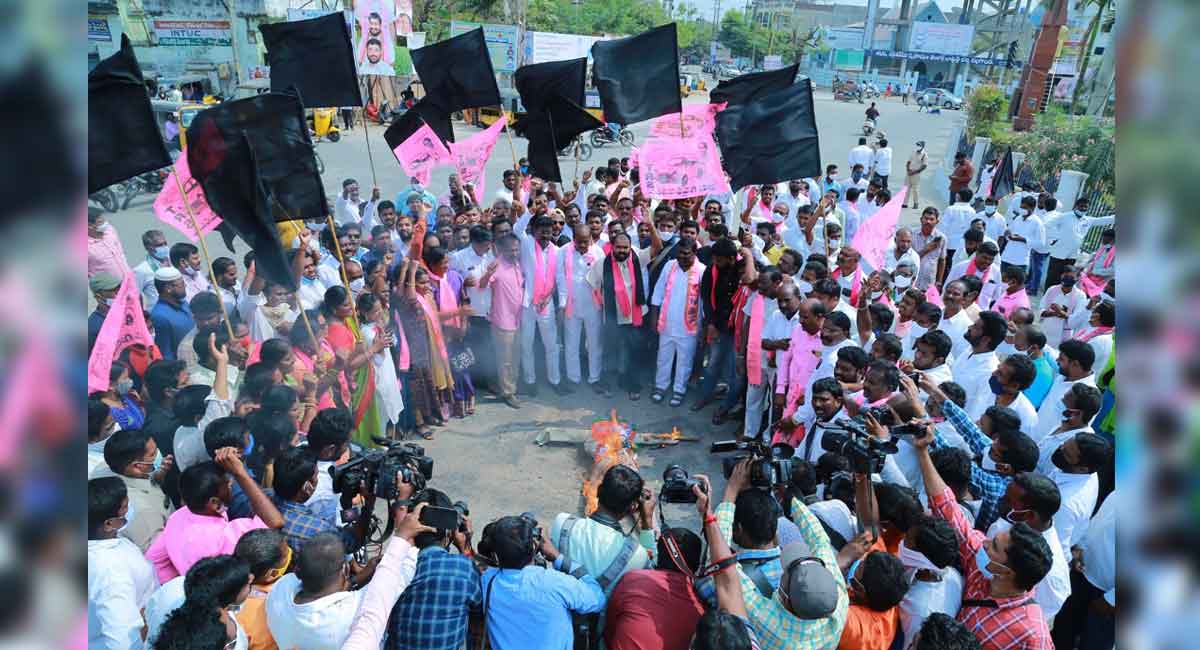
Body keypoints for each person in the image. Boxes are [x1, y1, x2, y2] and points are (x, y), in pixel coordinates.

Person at [910, 418, 1055, 650]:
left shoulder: (1033, 635)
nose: (984, 543)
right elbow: (948, 509)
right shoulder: (983, 570)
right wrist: (923, 451)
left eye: (994, 547)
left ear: (1005, 572)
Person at [919, 377, 1040, 534]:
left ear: (1004, 468)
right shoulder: (997, 452)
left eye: (993, 452)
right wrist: (936, 393)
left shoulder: (996, 488)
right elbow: (971, 431)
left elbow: (951, 457)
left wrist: (924, 421)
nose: (987, 449)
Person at [146, 449, 284, 583]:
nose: (232, 484)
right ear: (214, 503)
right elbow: (275, 522)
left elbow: (154, 559)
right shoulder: (227, 536)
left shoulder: (176, 518)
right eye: (228, 485)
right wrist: (241, 473)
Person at [477, 514, 607, 650]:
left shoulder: (487, 581)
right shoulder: (556, 582)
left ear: (496, 555)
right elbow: (597, 599)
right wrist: (558, 557)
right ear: (534, 545)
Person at [384, 489, 481, 650]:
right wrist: (466, 547)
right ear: (449, 533)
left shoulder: (391, 566)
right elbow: (478, 611)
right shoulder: (464, 568)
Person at [550, 463, 656, 595]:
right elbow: (652, 574)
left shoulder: (562, 523)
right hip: (605, 615)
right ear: (632, 507)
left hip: (560, 609)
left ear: (598, 491)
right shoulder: (637, 555)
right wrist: (647, 520)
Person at [266, 531, 378, 650]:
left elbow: (327, 594)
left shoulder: (281, 587)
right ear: (345, 570)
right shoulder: (353, 613)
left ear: (297, 570)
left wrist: (356, 579)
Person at [984, 473, 1071, 621]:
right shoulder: (1012, 522)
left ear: (1030, 515)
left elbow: (1038, 615)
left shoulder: (1051, 576)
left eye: (1009, 501)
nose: (1002, 501)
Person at [88, 476, 160, 650]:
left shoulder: (107, 539)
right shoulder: (110, 571)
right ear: (108, 523)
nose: (130, 509)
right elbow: (124, 639)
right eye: (125, 507)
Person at [587, 232, 651, 400]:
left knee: (635, 352)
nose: (622, 250)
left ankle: (633, 386)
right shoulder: (601, 264)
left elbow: (657, 249)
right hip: (613, 318)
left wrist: (650, 225)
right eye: (618, 247)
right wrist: (600, 304)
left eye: (625, 247)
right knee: (609, 352)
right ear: (612, 247)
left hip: (635, 317)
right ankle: (606, 384)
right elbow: (592, 285)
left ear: (630, 248)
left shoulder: (637, 258)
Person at [1050, 489, 1116, 650]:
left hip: (1107, 598)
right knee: (1062, 632)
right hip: (1082, 575)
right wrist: (1080, 546)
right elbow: (1099, 521)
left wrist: (1111, 601)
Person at [650, 238, 706, 406]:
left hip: (689, 326)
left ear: (694, 253)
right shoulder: (670, 266)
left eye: (686, 254)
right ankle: (660, 386)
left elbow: (704, 303)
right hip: (667, 323)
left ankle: (679, 390)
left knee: (685, 360)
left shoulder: (702, 271)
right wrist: (654, 317)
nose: (681, 258)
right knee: (663, 357)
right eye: (679, 254)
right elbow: (658, 291)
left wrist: (704, 328)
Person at [896, 514, 964, 649]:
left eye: (907, 541)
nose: (902, 541)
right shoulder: (952, 575)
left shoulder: (920, 614)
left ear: (921, 557)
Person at [100, 427, 174, 550]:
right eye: (153, 454)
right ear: (136, 466)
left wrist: (157, 476)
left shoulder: (111, 468)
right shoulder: (142, 511)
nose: (159, 455)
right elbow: (158, 552)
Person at [1043, 432, 1110, 559]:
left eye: (1067, 454)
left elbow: (1055, 549)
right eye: (1063, 445)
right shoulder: (1086, 473)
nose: (1060, 449)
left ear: (1083, 468)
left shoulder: (1064, 504)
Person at [557, 224, 606, 393]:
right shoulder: (563, 251)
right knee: (571, 343)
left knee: (594, 343)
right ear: (573, 239)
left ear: (591, 239)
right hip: (572, 305)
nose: (583, 246)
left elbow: (603, 280)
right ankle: (573, 378)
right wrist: (562, 305)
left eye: (586, 242)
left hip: (593, 306)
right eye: (579, 242)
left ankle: (595, 378)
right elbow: (560, 278)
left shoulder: (599, 253)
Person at [479, 234, 525, 408]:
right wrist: (487, 275)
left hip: (518, 319)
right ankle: (508, 392)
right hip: (502, 320)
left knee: (515, 356)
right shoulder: (496, 265)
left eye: (516, 249)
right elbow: (482, 286)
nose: (514, 252)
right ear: (502, 250)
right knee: (505, 359)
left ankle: (512, 386)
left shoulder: (517, 264)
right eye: (510, 250)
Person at [231, 528, 290, 650]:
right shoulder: (277, 607)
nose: (290, 552)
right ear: (272, 574)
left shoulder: (220, 582)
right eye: (286, 554)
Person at [151, 267, 195, 361]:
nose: (185, 286)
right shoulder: (159, 316)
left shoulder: (184, 303)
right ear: (168, 288)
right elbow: (165, 352)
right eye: (181, 284)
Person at [87, 208, 132, 279]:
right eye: (100, 222)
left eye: (104, 220)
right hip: (109, 288)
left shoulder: (110, 230)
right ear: (89, 226)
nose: (105, 223)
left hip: (129, 280)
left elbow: (120, 251)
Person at [133, 229, 171, 307]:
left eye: (165, 243)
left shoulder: (173, 261)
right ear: (148, 247)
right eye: (159, 245)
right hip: (158, 313)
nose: (164, 247)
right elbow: (134, 297)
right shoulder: (141, 270)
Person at [905, 141, 929, 208]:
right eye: (917, 145)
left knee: (915, 190)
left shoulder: (924, 155)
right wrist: (908, 170)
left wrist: (914, 172)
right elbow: (908, 162)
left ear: (923, 146)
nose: (917, 146)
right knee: (906, 189)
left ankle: (916, 203)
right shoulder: (913, 152)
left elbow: (924, 166)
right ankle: (904, 203)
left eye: (919, 145)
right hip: (909, 173)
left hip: (916, 174)